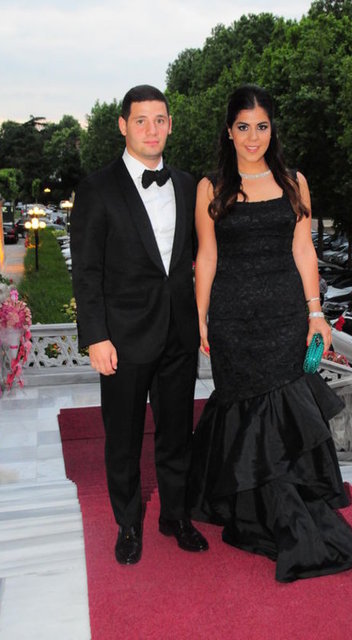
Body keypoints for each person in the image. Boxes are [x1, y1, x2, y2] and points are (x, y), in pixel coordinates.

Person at [188, 85, 352, 582]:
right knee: (246, 407)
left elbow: (303, 249)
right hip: (233, 321)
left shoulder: (294, 182)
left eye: (262, 126)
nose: (253, 137)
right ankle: (258, 513)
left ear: (273, 129)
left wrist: (316, 313)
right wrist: (200, 315)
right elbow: (207, 255)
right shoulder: (211, 187)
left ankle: (285, 517)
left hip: (285, 318)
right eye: (243, 127)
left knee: (279, 412)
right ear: (229, 132)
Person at [71, 84, 208, 565]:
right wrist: (95, 336)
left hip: (178, 333)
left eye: (160, 120)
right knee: (124, 438)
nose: (152, 130)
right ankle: (128, 524)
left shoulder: (188, 185)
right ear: (123, 126)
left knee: (177, 433)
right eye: (141, 120)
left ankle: (175, 516)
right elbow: (86, 271)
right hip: (123, 338)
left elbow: (201, 256)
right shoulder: (97, 188)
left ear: (170, 125)